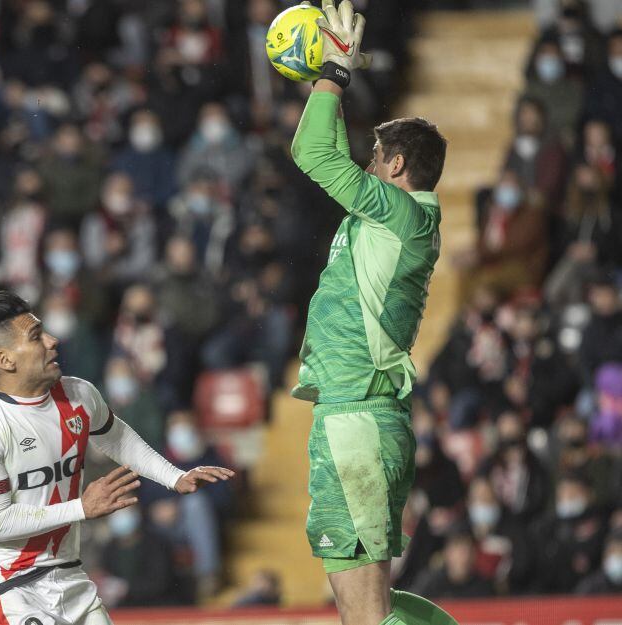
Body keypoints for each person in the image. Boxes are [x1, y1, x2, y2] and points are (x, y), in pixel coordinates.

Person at [288, 3, 455, 624]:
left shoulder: (398, 214)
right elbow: (328, 149)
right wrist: (333, 79)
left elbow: (312, 153)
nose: (367, 165)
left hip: (355, 422)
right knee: (370, 610)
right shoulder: (399, 220)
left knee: (364, 617)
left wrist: (334, 74)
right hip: (363, 417)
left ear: (397, 167)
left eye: (377, 155)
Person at [0, 291, 233, 625]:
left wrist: (175, 477)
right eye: (36, 336)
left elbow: (118, 438)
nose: (53, 340)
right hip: (10, 585)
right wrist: (81, 508)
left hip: (69, 576)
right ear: (5, 360)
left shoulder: (79, 394)